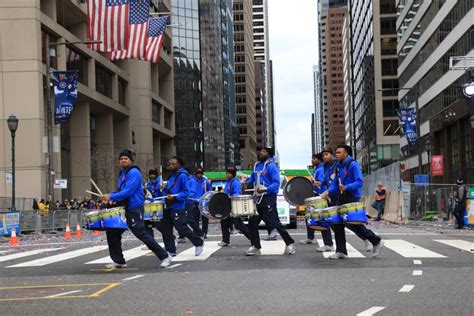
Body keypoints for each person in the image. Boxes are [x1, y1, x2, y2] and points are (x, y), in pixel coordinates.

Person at [101, 149, 172, 269]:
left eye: (126, 158)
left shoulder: (134, 172)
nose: (123, 160)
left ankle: (165, 256)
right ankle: (118, 260)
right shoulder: (122, 173)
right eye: (121, 158)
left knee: (141, 232)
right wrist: (111, 196)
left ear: (130, 160)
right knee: (112, 232)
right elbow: (121, 190)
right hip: (125, 207)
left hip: (134, 207)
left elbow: (128, 191)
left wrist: (111, 196)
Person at [322, 145, 384, 259]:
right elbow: (336, 185)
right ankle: (341, 251)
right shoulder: (337, 167)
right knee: (338, 224)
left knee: (353, 223)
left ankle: (376, 241)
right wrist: (328, 192)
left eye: (339, 152)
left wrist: (347, 187)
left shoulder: (353, 164)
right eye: (336, 152)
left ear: (346, 154)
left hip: (352, 196)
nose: (336, 154)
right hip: (341, 197)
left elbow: (359, 182)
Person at [245, 147, 296, 256]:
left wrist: (266, 189)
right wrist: (246, 182)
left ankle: (290, 243)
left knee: (275, 222)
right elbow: (252, 179)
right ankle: (255, 246)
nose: (260, 153)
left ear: (269, 154)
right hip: (257, 198)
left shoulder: (272, 166)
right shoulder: (257, 166)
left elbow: (276, 183)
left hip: (268, 198)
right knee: (252, 223)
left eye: (263, 151)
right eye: (260, 151)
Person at [160, 156, 204, 256]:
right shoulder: (171, 175)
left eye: (173, 164)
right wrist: (164, 190)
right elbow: (170, 190)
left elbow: (186, 192)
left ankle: (199, 242)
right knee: (166, 229)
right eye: (170, 164)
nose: (171, 165)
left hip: (178, 206)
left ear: (179, 164)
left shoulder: (182, 176)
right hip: (168, 206)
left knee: (182, 228)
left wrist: (175, 198)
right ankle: (170, 250)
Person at [219, 167, 252, 246]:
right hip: (227, 206)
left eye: (229, 173)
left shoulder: (235, 182)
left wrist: (229, 196)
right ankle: (225, 240)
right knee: (224, 222)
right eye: (227, 173)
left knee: (238, 224)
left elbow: (236, 194)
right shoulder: (228, 182)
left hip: (233, 206)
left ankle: (252, 238)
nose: (227, 174)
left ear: (233, 174)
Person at [300, 153, 325, 245]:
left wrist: (317, 184)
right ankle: (310, 237)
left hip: (319, 196)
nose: (312, 160)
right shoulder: (316, 169)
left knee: (321, 219)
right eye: (312, 158)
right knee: (309, 216)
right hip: (315, 196)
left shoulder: (321, 169)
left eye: (314, 158)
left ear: (319, 159)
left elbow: (321, 182)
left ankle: (327, 243)